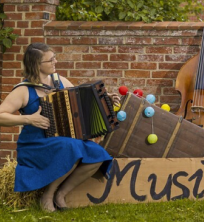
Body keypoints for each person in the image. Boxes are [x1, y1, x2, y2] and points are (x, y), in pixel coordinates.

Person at [0, 43, 120, 212]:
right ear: (36, 64)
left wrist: (105, 99)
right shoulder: (23, 91)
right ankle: (47, 196)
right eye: (50, 60)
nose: (55, 61)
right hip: (36, 143)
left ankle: (60, 194)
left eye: (54, 57)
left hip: (63, 140)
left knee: (99, 155)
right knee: (72, 147)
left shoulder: (59, 80)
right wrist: (29, 119)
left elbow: (82, 99)